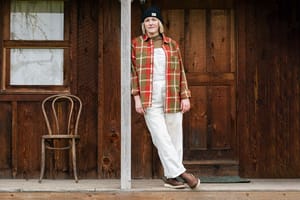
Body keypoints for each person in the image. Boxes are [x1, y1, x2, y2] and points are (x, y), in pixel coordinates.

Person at [131, 6, 201, 190]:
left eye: (154, 20)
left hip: (171, 93)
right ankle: (182, 173)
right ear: (143, 25)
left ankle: (171, 177)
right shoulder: (136, 44)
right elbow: (132, 73)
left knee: (174, 137)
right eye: (147, 20)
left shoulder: (172, 44)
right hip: (149, 95)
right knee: (160, 136)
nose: (151, 23)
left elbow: (181, 72)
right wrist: (136, 98)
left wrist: (185, 96)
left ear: (159, 23)